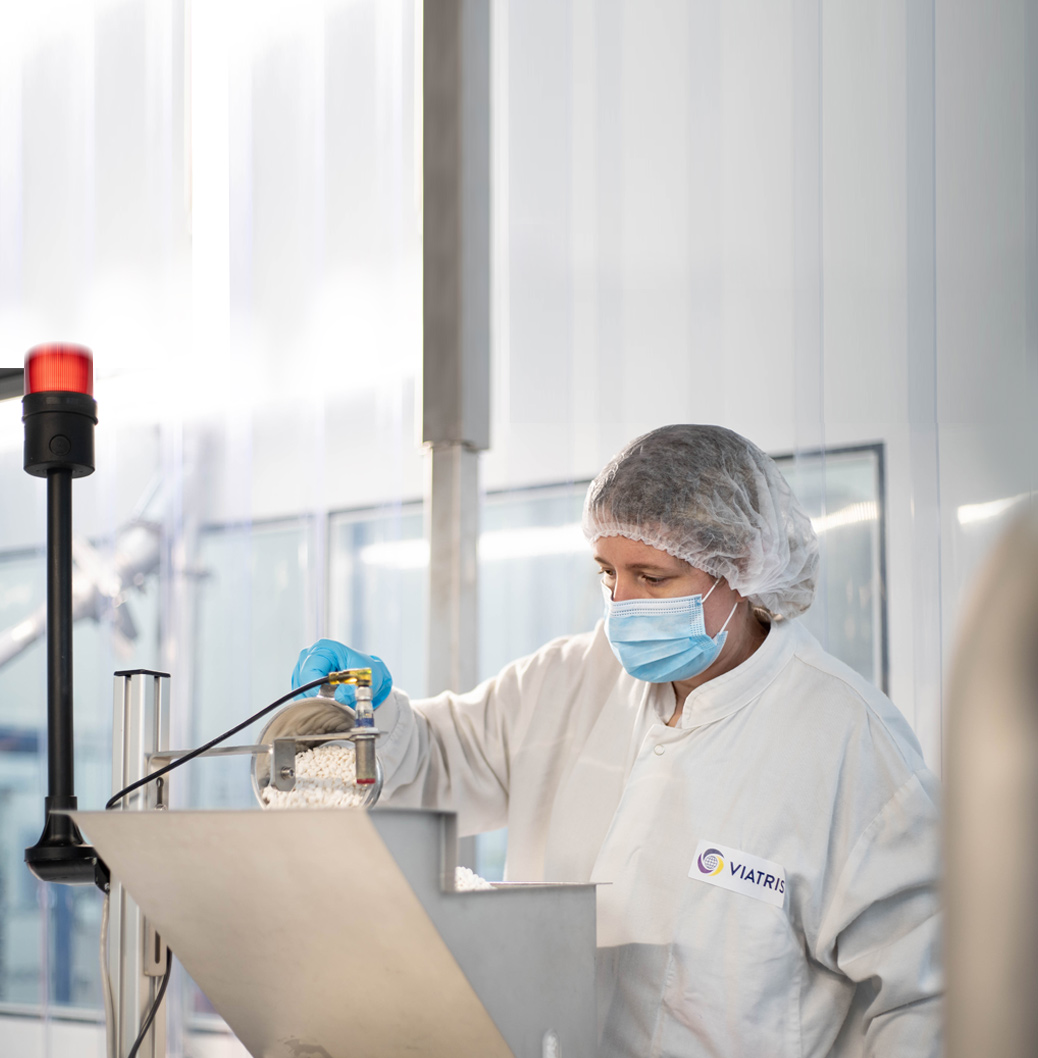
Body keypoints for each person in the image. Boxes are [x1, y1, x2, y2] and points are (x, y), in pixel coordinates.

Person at [288, 424, 941, 1058]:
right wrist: (363, 722)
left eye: (652, 578)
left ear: (739, 567)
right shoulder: (569, 680)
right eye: (607, 574)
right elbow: (433, 761)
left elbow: (930, 996)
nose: (623, 605)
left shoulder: (846, 738)